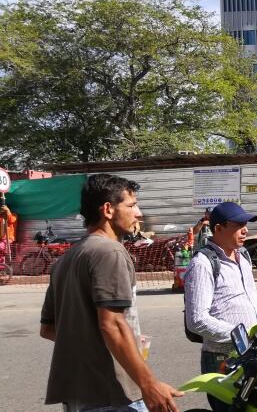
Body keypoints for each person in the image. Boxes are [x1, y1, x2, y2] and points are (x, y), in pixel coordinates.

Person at [40, 174, 182, 412]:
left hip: (78, 395)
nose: (138, 213)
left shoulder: (68, 258)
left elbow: (50, 328)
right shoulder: (110, 252)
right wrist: (149, 384)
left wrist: (119, 340)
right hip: (112, 395)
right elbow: (112, 325)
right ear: (108, 209)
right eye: (131, 205)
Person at [184, 202, 257, 412]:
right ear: (219, 228)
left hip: (252, 354)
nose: (246, 230)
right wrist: (240, 335)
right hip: (223, 359)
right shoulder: (203, 263)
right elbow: (197, 320)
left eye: (246, 224)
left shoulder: (244, 256)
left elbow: (253, 300)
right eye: (239, 225)